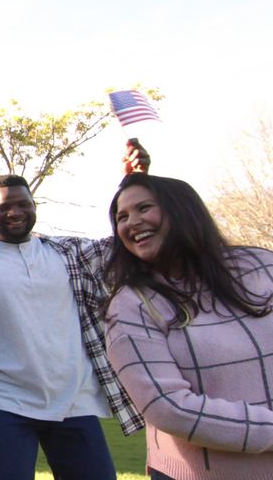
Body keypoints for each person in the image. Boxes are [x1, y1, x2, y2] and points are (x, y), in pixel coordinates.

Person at [0, 141, 151, 480]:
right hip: (4, 404)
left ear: (34, 206)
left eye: (23, 204)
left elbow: (126, 242)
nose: (15, 212)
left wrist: (134, 182)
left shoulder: (69, 253)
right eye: (5, 206)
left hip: (74, 401)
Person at [104, 173, 273, 480]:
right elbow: (169, 408)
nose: (131, 222)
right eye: (122, 217)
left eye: (144, 208)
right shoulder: (131, 306)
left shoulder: (261, 266)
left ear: (182, 210)